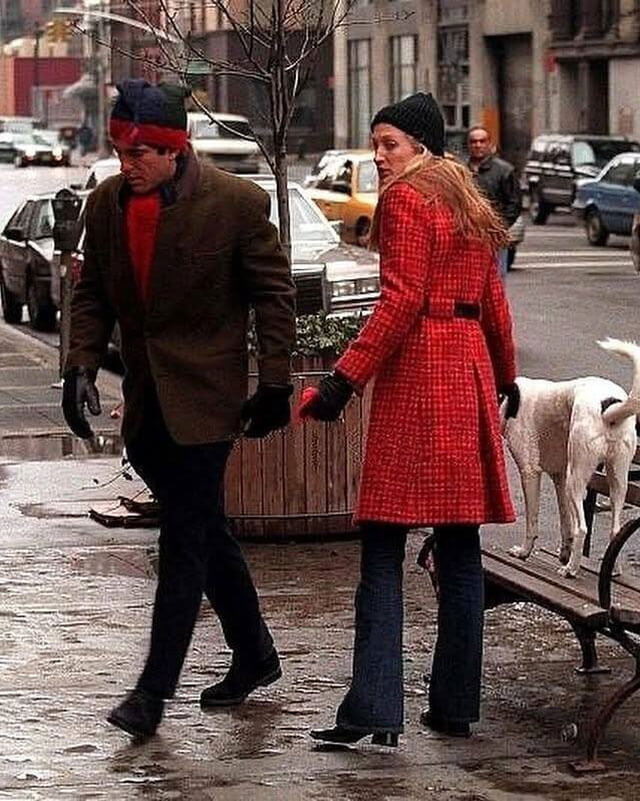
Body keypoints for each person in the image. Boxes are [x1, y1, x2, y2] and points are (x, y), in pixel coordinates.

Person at [61, 79, 296, 739]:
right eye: (119, 150)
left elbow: (274, 297)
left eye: (140, 152)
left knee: (184, 542)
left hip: (206, 404)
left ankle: (151, 692)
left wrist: (276, 382)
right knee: (207, 532)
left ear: (172, 149)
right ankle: (255, 654)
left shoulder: (235, 203)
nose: (126, 163)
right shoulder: (106, 203)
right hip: (146, 410)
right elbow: (92, 295)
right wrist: (79, 365)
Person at [299, 92, 517, 745]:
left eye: (389, 143)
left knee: (383, 545)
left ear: (420, 145)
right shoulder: (468, 199)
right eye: (376, 144)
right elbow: (497, 305)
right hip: (468, 371)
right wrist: (503, 377)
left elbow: (398, 302)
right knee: (458, 547)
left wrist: (341, 381)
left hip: (420, 375)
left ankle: (373, 707)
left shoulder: (404, 200)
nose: (379, 156)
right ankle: (454, 705)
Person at [467, 125, 522, 274]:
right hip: (467, 238)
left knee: (496, 280)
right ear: (468, 144)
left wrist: (499, 228)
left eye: (482, 141)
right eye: (473, 141)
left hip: (495, 238)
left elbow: (514, 204)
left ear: (490, 144)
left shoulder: (505, 171)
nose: (478, 145)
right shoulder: (460, 170)